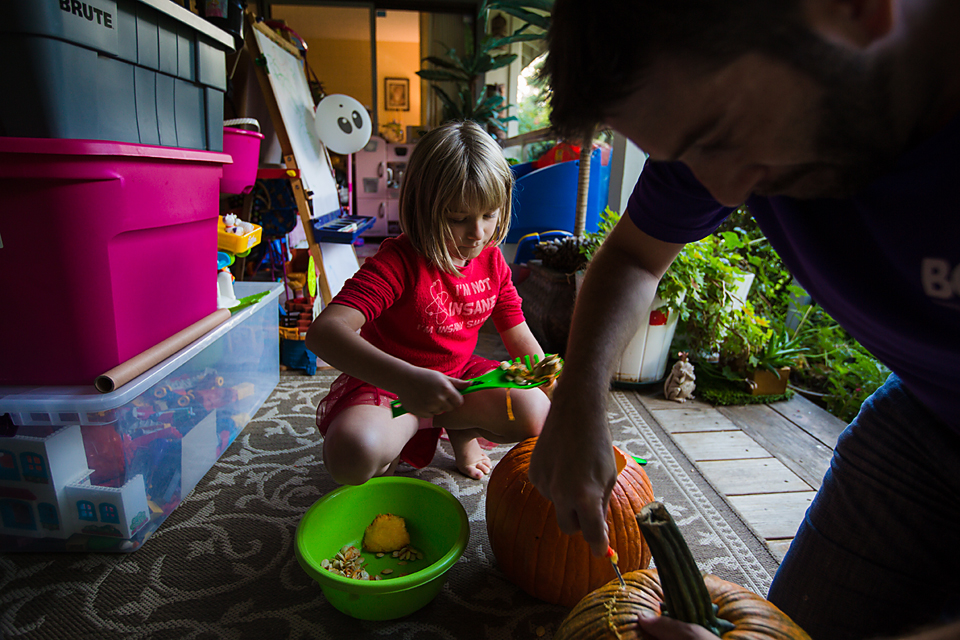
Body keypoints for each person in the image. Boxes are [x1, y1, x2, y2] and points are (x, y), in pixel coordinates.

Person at [528, 1, 960, 639]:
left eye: (718, 133)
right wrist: (577, 399)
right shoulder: (725, 97)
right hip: (926, 415)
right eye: (685, 154)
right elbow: (634, 259)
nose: (725, 193)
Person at [305, 120, 550, 484]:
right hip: (392, 387)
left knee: (535, 412)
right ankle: (410, 428)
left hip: (459, 385)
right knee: (352, 452)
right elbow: (323, 333)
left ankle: (459, 431)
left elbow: (519, 337)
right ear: (423, 208)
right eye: (457, 218)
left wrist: (551, 380)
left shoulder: (493, 260)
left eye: (489, 215)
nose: (477, 233)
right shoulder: (398, 262)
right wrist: (407, 382)